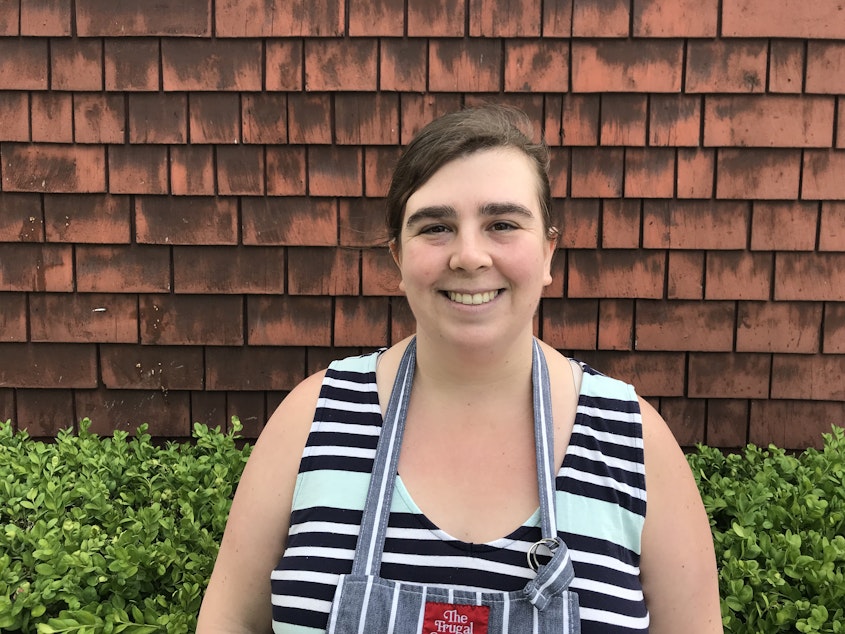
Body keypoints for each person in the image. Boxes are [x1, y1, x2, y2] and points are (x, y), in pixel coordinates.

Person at [197, 105, 722, 633]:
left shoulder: (631, 441)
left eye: (502, 224)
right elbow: (230, 622)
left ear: (547, 253)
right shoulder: (311, 420)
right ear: (398, 257)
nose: (469, 256)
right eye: (436, 227)